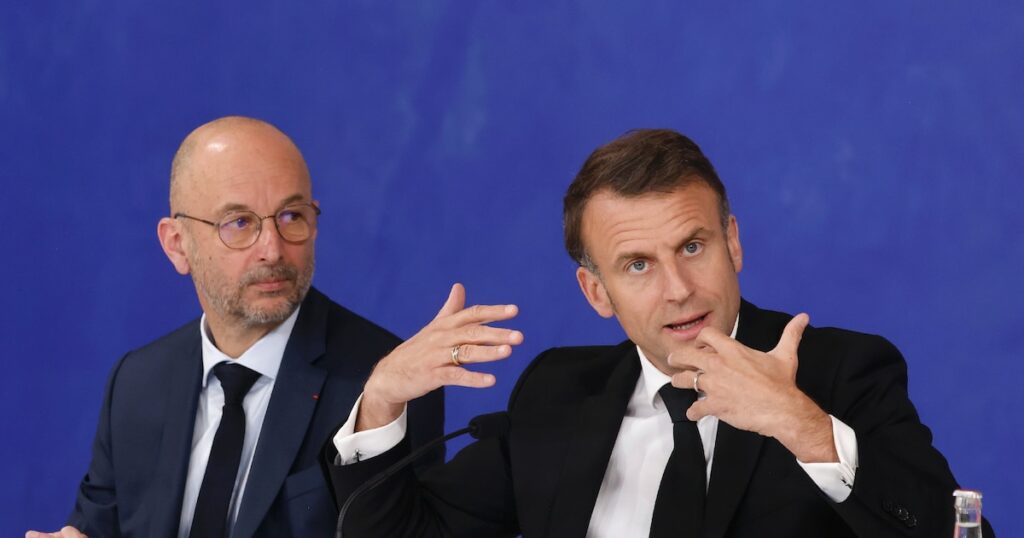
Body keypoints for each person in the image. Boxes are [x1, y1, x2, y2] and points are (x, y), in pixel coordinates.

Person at [324, 129, 995, 536]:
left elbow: (959, 534)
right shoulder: (559, 395)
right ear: (596, 292)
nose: (677, 288)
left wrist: (805, 428)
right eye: (637, 265)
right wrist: (381, 399)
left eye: (694, 246)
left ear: (732, 241)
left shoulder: (840, 374)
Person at [26, 116, 445, 538]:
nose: (272, 249)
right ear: (177, 244)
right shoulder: (135, 384)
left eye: (291, 215)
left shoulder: (383, 386)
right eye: (240, 223)